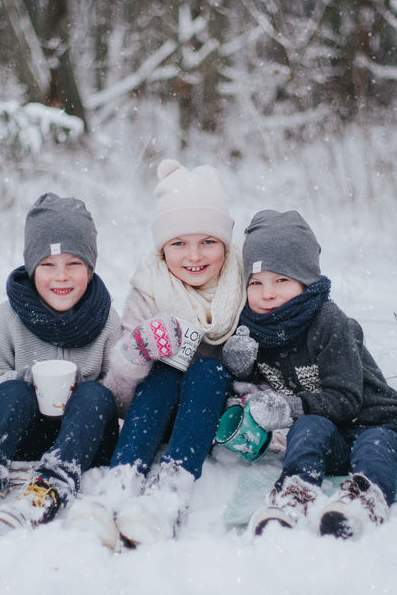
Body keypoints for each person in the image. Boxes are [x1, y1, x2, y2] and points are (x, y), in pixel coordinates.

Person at [68, 159, 246, 549]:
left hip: (216, 416)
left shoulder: (244, 285)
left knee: (208, 372)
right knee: (164, 373)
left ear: (226, 243)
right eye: (178, 243)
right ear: (162, 247)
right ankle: (121, 480)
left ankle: (170, 494)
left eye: (208, 241)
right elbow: (117, 394)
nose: (194, 255)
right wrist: (136, 351)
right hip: (151, 411)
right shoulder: (149, 288)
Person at [220, 209, 397, 539]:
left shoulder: (329, 322)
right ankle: (295, 492)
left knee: (373, 443)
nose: (267, 293)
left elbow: (346, 399)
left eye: (281, 280)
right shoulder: (254, 327)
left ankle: (362, 500)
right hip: (332, 436)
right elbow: (256, 383)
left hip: (379, 424)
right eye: (256, 283)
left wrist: (288, 407)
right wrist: (240, 365)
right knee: (309, 427)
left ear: (305, 280)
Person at [0, 193, 122, 544]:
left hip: (83, 444)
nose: (61, 277)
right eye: (48, 265)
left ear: (91, 267)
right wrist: (26, 379)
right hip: (24, 438)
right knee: (11, 391)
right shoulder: (7, 317)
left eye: (74, 264)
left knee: (96, 393)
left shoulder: (107, 320)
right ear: (31, 267)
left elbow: (120, 397)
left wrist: (91, 388)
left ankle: (50, 487)